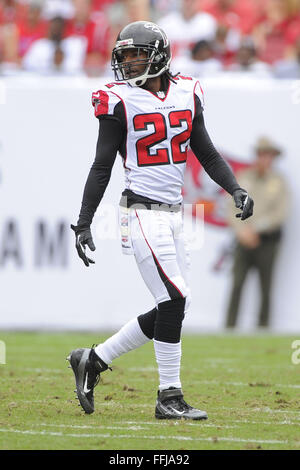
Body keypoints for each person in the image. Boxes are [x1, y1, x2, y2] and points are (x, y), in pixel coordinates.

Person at [68, 20, 253, 420]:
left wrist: (233, 188)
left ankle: (93, 359)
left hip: (174, 215)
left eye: (138, 55)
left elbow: (205, 150)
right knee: (174, 298)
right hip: (140, 213)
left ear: (161, 55)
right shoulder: (118, 100)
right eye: (125, 56)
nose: (130, 63)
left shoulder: (188, 91)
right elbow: (102, 166)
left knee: (173, 304)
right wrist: (84, 221)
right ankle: (169, 396)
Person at [225, 137, 289, 328]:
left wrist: (255, 229)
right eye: (262, 154)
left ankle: (263, 328)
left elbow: (280, 213)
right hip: (243, 239)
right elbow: (230, 207)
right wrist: (241, 231)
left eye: (269, 155)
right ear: (257, 156)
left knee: (265, 287)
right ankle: (229, 327)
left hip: (267, 241)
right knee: (237, 284)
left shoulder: (279, 182)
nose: (265, 159)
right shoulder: (243, 177)